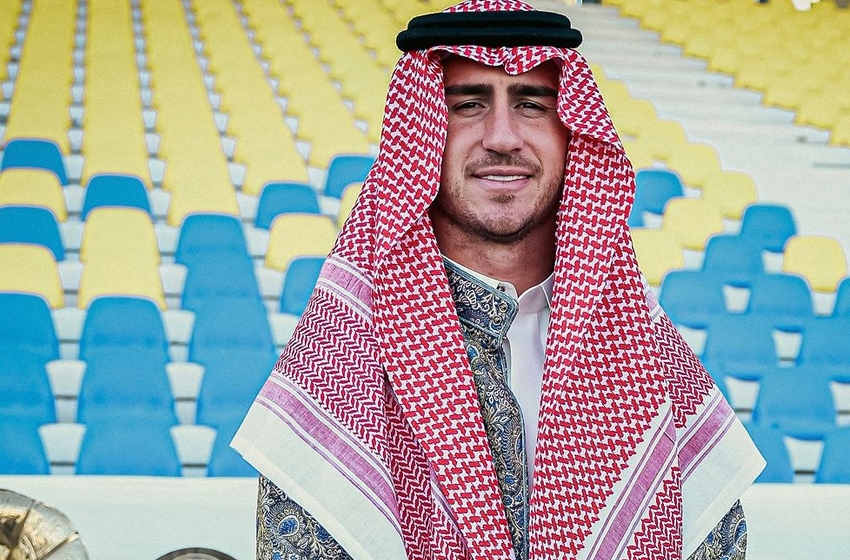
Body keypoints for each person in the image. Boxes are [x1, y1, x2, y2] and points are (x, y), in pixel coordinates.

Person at [232, 1, 765, 558]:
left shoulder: (640, 344)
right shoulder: (346, 353)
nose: (503, 137)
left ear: (571, 132)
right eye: (468, 105)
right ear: (420, 133)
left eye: (532, 104)